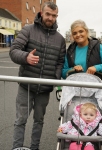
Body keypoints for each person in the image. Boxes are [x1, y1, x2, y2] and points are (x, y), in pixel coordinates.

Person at [9, 2, 66, 150]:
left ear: (56, 16)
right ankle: (17, 147)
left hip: (44, 89)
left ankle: (35, 147)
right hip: (26, 85)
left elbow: (60, 62)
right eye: (48, 14)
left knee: (39, 121)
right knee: (20, 120)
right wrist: (26, 57)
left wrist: (54, 79)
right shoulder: (28, 30)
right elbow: (14, 50)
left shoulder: (60, 39)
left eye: (54, 15)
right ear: (41, 13)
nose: (50, 18)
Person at [61, 20, 102, 109]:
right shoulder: (70, 51)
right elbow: (63, 72)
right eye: (75, 33)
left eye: (81, 31)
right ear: (72, 36)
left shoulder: (98, 47)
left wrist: (97, 67)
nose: (78, 35)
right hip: (76, 96)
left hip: (95, 96)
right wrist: (72, 69)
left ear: (86, 32)